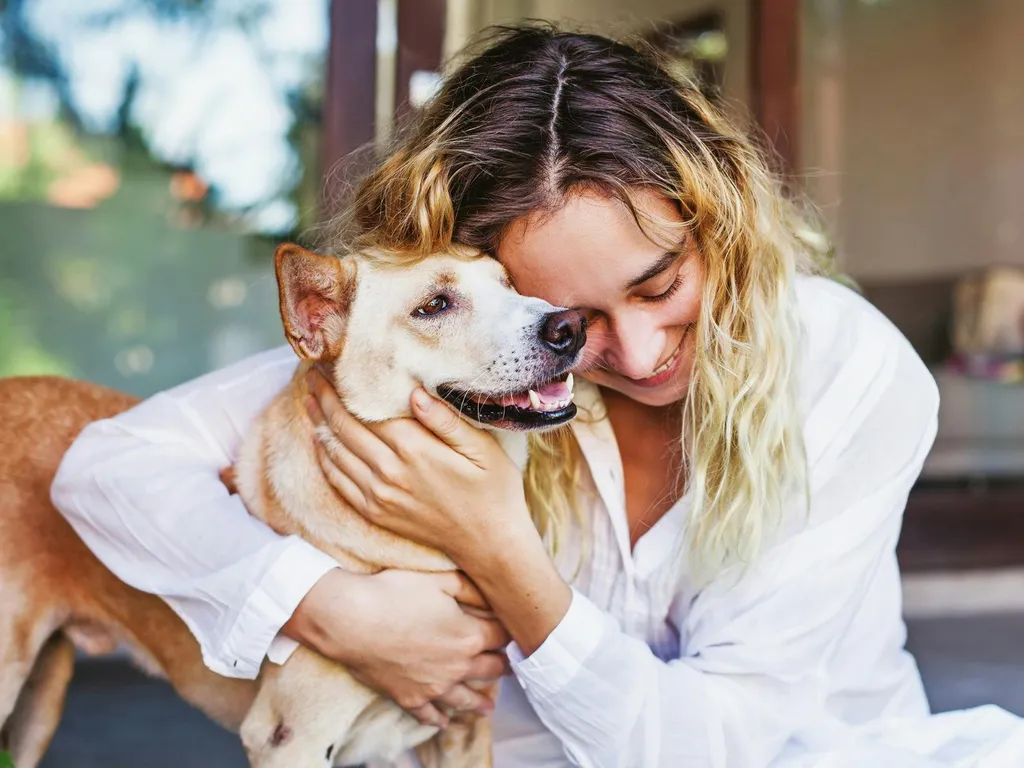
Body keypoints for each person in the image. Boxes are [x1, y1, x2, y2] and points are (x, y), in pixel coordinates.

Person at [50, 24, 1023, 768]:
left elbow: (711, 744)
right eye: (566, 321)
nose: (640, 354)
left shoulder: (842, 364)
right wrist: (330, 609)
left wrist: (496, 546)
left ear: (717, 218)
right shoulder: (462, 350)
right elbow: (105, 470)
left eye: (658, 284)